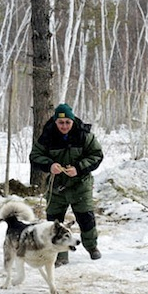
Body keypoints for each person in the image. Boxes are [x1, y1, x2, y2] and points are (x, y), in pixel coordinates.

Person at [30, 103, 104, 266]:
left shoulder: (84, 135)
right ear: (55, 122)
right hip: (57, 186)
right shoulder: (47, 136)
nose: (64, 126)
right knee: (55, 221)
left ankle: (92, 247)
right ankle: (60, 256)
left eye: (67, 122)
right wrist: (49, 165)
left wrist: (78, 168)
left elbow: (97, 155)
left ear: (72, 121)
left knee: (86, 219)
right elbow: (35, 156)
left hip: (81, 184)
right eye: (60, 123)